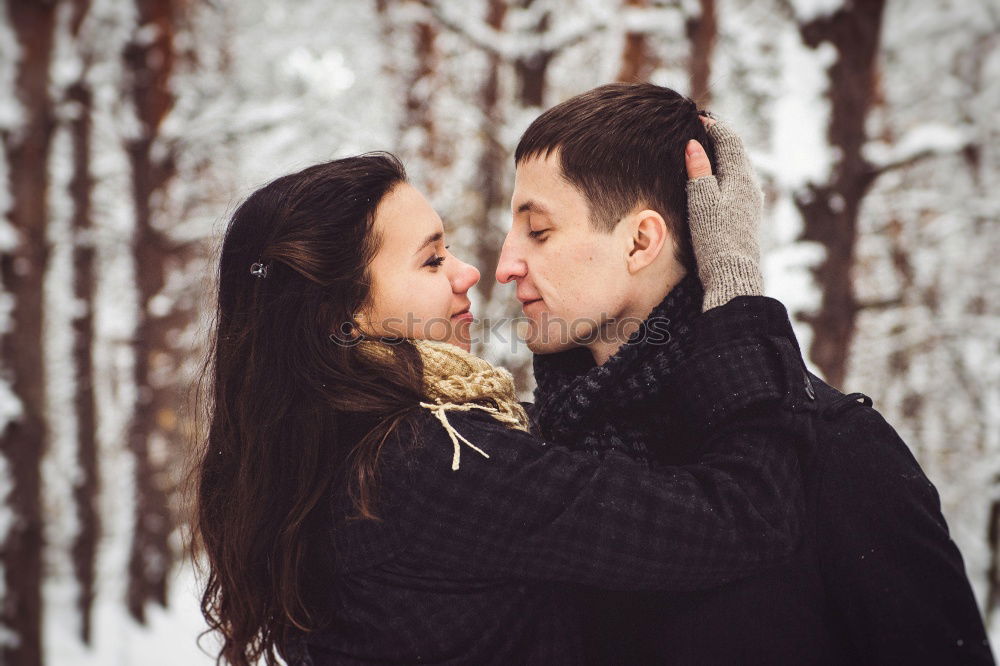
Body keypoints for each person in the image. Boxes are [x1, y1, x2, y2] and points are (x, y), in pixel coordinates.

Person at [193, 131, 814, 663]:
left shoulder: (331, 446)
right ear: (342, 316)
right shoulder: (426, 462)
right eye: (433, 261)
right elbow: (741, 519)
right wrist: (736, 296)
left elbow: (563, 492)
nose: (471, 272)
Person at [498, 82, 994, 665]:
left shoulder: (835, 451)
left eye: (538, 231)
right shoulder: (533, 450)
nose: (505, 264)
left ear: (640, 241)